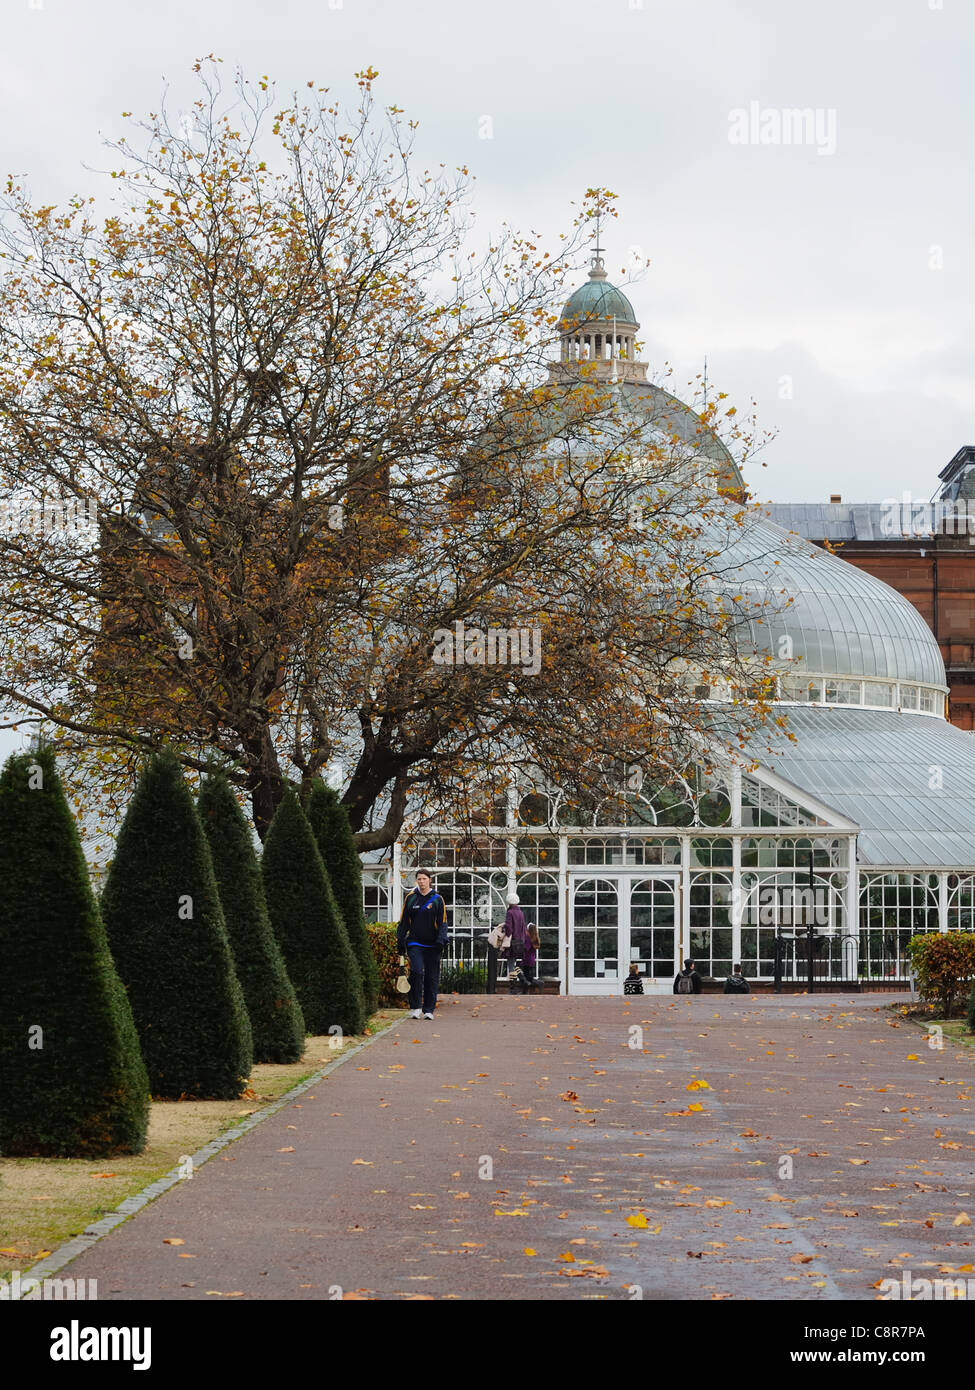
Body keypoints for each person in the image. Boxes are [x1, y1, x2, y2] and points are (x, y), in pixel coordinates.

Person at [396, 870, 448, 1020]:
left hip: (433, 944)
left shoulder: (438, 899)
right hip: (415, 942)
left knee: (432, 977)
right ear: (416, 881)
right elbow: (404, 921)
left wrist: (441, 940)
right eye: (419, 879)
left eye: (424, 879)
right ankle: (415, 1007)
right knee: (417, 972)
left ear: (429, 880)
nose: (421, 881)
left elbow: (443, 922)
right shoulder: (411, 898)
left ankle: (429, 1010)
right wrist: (400, 939)